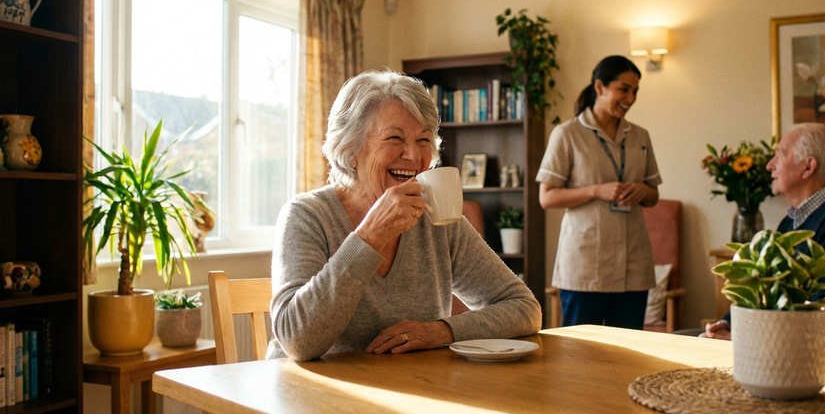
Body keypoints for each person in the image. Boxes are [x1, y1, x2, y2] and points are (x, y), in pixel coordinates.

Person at [267, 70, 542, 362]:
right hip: (308, 395)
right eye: (395, 138)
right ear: (350, 150)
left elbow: (524, 309)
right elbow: (297, 343)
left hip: (406, 388)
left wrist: (442, 331)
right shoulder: (306, 215)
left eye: (424, 140)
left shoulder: (436, 218)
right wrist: (370, 236)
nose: (413, 155)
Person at [701, 123, 825, 343]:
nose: (770, 165)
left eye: (780, 154)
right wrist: (728, 324)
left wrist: (745, 337)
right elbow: (765, 287)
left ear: (808, 167)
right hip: (787, 344)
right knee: (693, 340)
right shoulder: (793, 219)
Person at [536, 55, 661, 329]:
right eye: (624, 89)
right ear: (600, 87)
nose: (631, 97)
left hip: (633, 266)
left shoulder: (640, 136)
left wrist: (642, 190)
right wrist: (597, 190)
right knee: (580, 357)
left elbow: (654, 196)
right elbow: (547, 197)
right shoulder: (567, 134)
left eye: (635, 91)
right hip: (585, 267)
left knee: (631, 355)